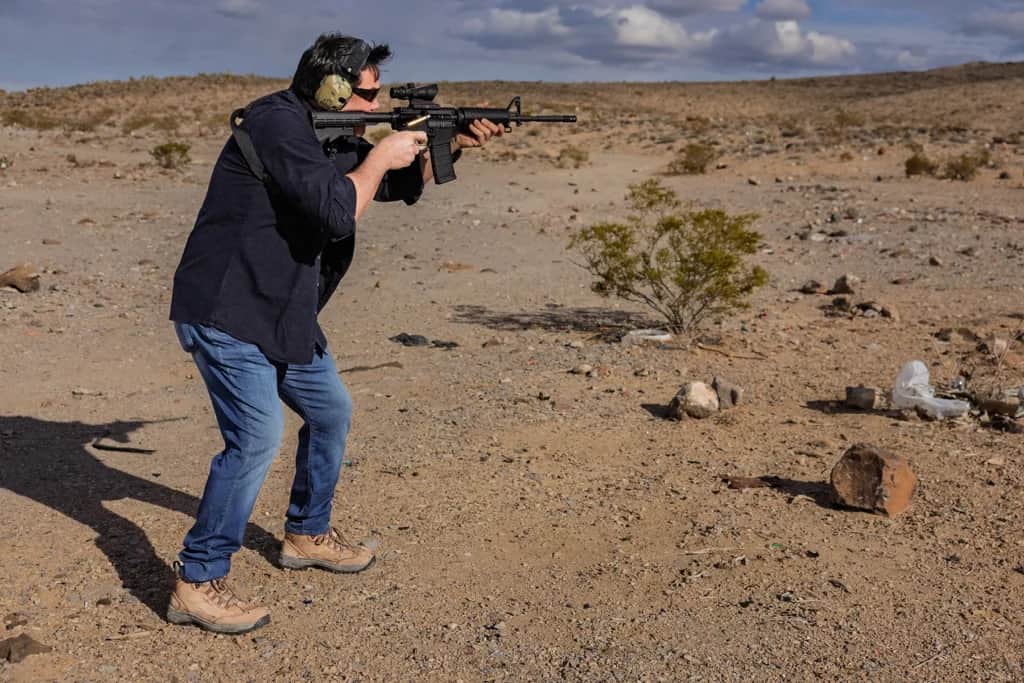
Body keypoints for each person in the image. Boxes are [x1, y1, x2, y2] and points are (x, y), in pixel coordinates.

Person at [166, 32, 503, 634]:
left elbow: (395, 185)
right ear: (331, 88)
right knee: (256, 438)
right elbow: (337, 209)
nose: (375, 107)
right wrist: (379, 154)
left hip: (283, 309)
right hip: (229, 306)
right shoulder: (277, 125)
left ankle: (305, 533)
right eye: (367, 95)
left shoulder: (327, 132)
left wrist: (451, 144)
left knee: (330, 413)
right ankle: (196, 580)